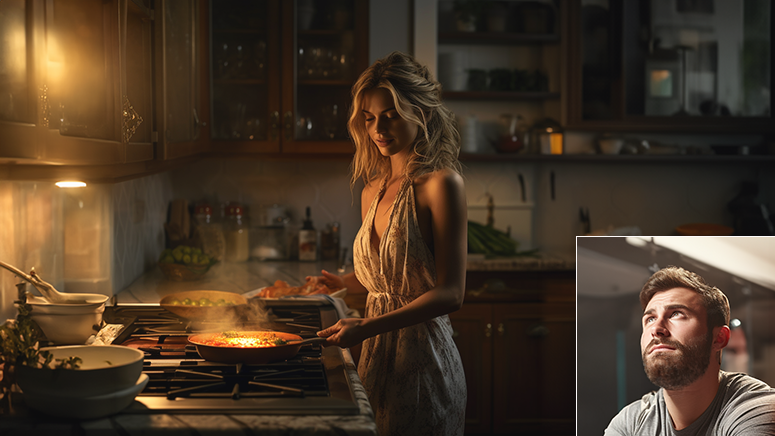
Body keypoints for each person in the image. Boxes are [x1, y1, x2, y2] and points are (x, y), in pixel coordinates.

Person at [308, 51, 467, 436]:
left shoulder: (440, 184)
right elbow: (393, 278)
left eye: (390, 115)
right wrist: (347, 282)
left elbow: (450, 292)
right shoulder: (371, 190)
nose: (378, 128)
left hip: (425, 362)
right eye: (369, 118)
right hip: (376, 358)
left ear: (422, 114)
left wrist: (366, 326)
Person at [605, 266, 775, 435]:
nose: (656, 328)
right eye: (650, 318)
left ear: (719, 338)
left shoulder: (756, 409)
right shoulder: (631, 422)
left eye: (676, 314)